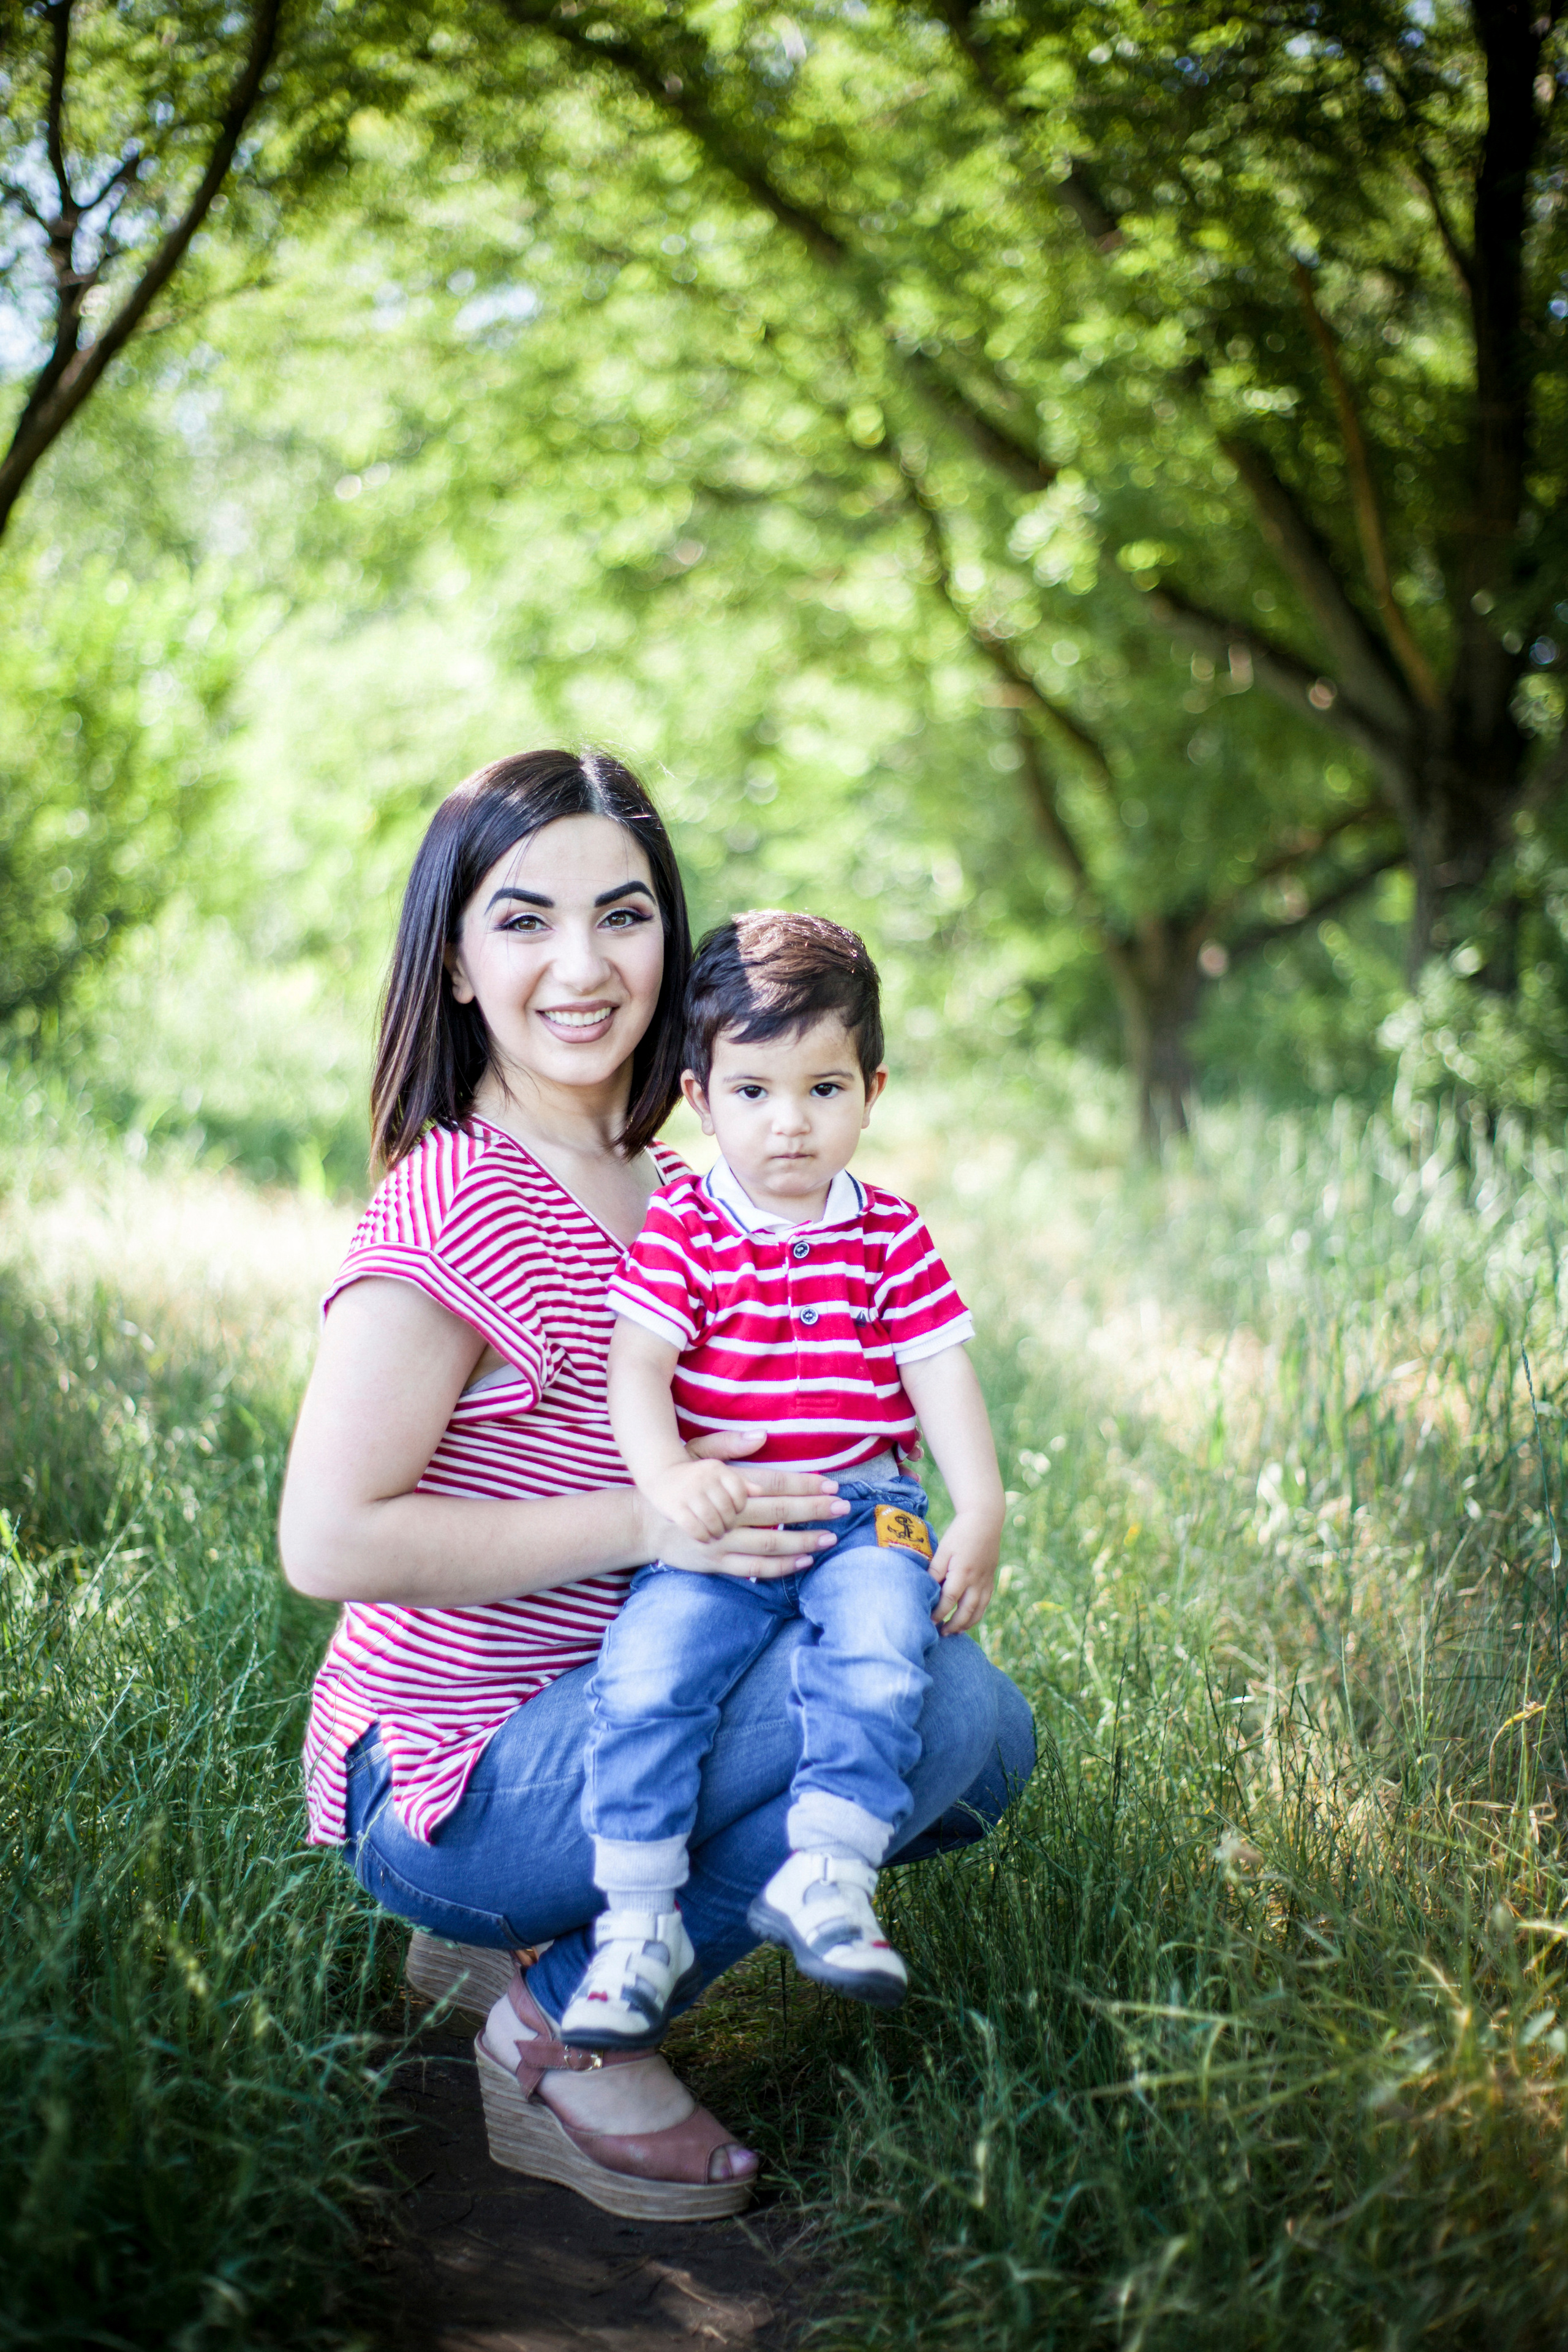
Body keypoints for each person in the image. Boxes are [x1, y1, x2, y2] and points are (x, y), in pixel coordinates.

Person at [279, 747, 1035, 2225]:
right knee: (954, 1719)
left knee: (980, 1746)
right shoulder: (456, 1201)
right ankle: (555, 2026)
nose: (582, 964)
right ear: (451, 963)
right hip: (457, 1764)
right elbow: (325, 1538)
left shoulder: (679, 1175)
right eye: (523, 921)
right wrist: (650, 1514)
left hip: (629, 1691)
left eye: (623, 917)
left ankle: (514, 1935)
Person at [562, 911, 1004, 2049]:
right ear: (703, 1099)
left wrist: (984, 1505)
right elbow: (638, 1368)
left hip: (870, 1509)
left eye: (823, 1090)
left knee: (882, 1655)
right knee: (652, 1674)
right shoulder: (689, 1227)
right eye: (753, 1092)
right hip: (724, 1518)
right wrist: (665, 1477)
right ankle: (638, 1922)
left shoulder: (891, 1232)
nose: (790, 1125)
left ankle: (830, 1870)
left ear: (873, 1090)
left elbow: (940, 1373)